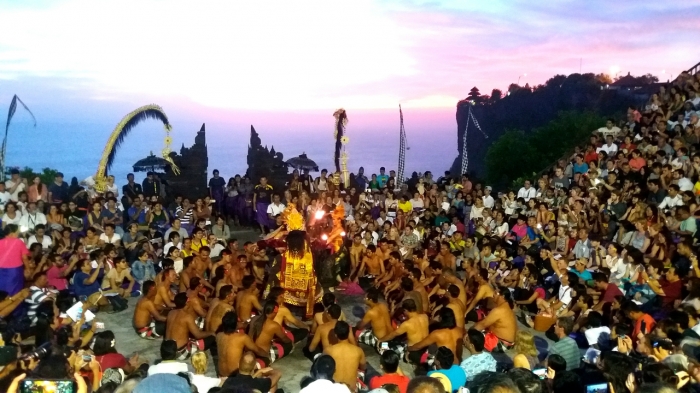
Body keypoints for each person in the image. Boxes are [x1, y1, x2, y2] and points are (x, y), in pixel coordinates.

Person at [164, 292, 216, 360]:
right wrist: (211, 333)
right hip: (179, 352)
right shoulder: (187, 317)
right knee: (211, 338)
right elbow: (198, 335)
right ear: (187, 302)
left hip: (168, 350)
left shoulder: (171, 313)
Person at [377, 299, 429, 365]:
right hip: (425, 348)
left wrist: (380, 340)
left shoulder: (407, 324)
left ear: (405, 310)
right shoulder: (425, 317)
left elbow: (392, 335)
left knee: (385, 347)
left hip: (412, 351)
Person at [217, 311, 267, 377]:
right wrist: (266, 354)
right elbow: (257, 350)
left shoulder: (218, 336)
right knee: (251, 354)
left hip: (221, 374)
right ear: (236, 324)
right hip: (236, 375)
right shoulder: (242, 337)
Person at [325, 321, 367, 392]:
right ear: (348, 334)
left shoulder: (328, 350)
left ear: (335, 335)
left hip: (335, 390)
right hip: (351, 390)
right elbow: (364, 367)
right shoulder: (358, 350)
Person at [249, 300, 293, 366]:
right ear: (275, 312)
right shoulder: (274, 325)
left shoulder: (254, 319)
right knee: (289, 345)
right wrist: (291, 342)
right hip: (263, 354)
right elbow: (285, 339)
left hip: (251, 350)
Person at [473, 286, 517, 352]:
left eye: (496, 293)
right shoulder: (507, 308)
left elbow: (482, 324)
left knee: (475, 337)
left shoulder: (499, 310)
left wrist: (469, 333)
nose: (493, 295)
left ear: (503, 296)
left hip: (501, 344)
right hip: (508, 343)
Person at [0, 224, 31, 295]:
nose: (18, 233)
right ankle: (15, 305)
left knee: (2, 288)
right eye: (17, 232)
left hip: (1, 270)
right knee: (15, 290)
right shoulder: (19, 242)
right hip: (15, 270)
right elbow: (24, 257)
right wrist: (28, 269)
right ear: (12, 233)